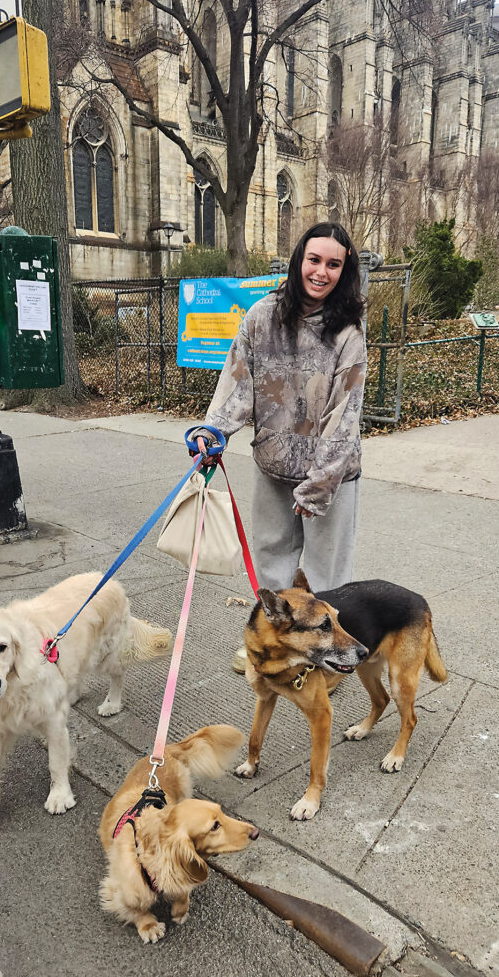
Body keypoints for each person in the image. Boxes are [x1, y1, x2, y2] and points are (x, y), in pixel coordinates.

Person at [195, 222, 367, 673]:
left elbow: (344, 417)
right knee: (272, 562)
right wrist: (214, 431)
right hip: (272, 467)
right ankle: (270, 646)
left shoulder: (348, 333)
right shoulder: (261, 316)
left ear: (343, 271)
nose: (322, 271)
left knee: (329, 576)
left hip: (328, 478)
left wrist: (318, 486)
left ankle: (328, 655)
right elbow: (238, 380)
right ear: (299, 260)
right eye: (315, 260)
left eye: (334, 264)